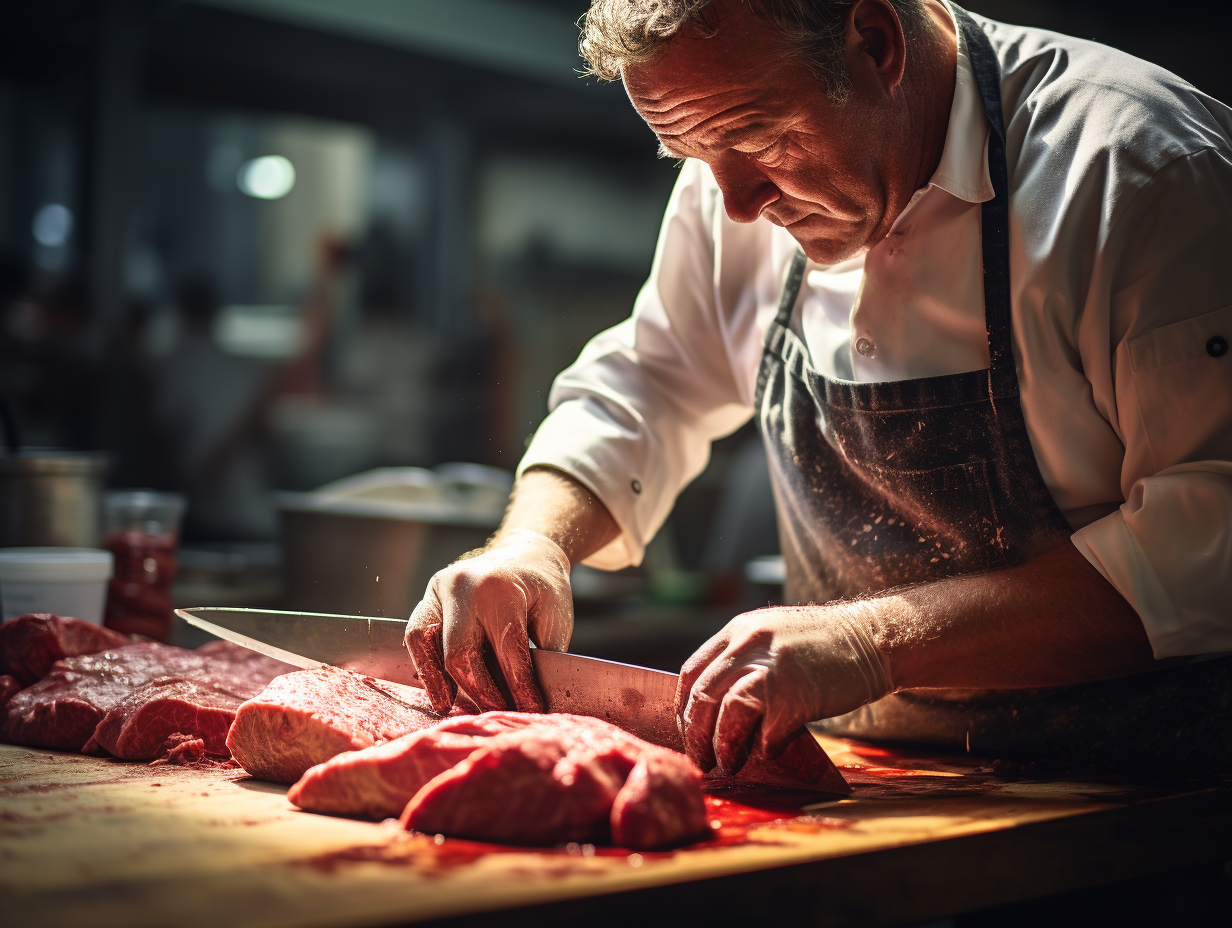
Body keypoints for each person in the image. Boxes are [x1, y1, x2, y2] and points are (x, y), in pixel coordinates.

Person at [404, 0, 1232, 772]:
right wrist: (533, 545)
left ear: (875, 43)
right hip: (877, 784)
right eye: (693, 156)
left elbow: (1210, 542)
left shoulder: (1140, 172)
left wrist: (875, 642)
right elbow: (649, 384)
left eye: (759, 137)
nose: (733, 204)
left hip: (1139, 804)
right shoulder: (730, 167)